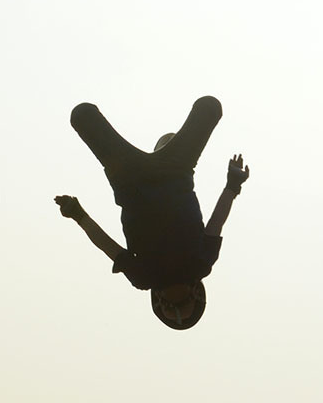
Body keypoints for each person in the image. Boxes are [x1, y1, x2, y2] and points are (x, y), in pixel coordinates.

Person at [55, 96, 249, 329]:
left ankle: (164, 146)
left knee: (210, 107)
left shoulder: (177, 269)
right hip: (148, 174)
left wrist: (232, 186)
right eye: (181, 301)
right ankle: (164, 146)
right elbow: (106, 244)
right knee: (81, 115)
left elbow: (217, 221)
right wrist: (78, 214)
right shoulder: (175, 270)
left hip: (155, 172)